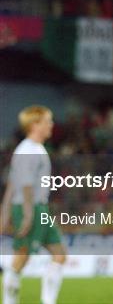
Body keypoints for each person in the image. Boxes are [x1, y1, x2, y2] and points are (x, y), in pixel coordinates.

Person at [1, 106, 66, 304]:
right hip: (30, 208)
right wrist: (28, 214)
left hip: (39, 208)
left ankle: (48, 301)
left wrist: (4, 214)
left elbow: (12, 184)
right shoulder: (27, 150)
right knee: (21, 258)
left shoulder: (35, 148)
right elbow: (24, 185)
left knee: (59, 254)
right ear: (34, 124)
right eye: (47, 120)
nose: (51, 125)